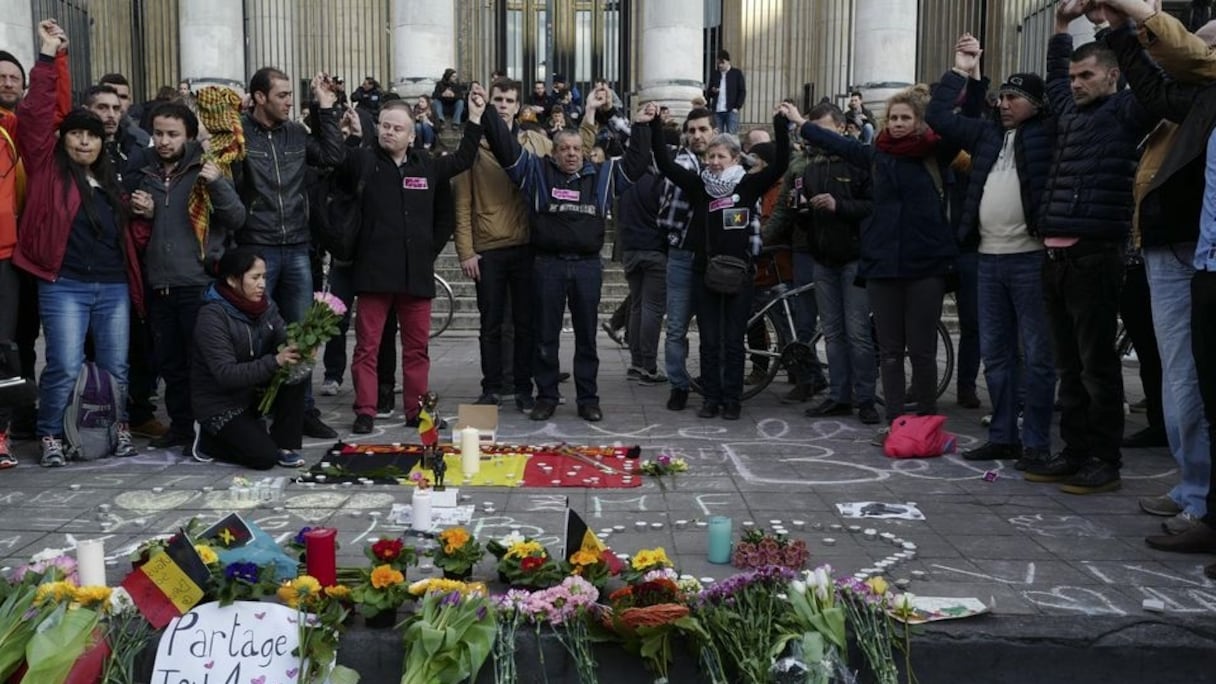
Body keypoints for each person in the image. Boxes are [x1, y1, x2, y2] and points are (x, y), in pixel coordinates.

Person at [1021, 0, 1155, 495]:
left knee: (1097, 368)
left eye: (1085, 75)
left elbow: (1150, 79)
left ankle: (1104, 460)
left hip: (1095, 255)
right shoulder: (1069, 114)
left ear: (1112, 76)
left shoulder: (1127, 110)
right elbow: (1054, 80)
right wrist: (1060, 25)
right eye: (1073, 75)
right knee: (1068, 367)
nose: (1075, 83)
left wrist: (1124, 24)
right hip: (1054, 257)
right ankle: (1074, 452)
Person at [1097, 0, 1215, 551]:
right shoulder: (1191, 98)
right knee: (1181, 376)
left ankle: (1202, 498)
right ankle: (1196, 487)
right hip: (1175, 246)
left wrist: (1132, 15)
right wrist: (1122, 28)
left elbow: (1173, 66)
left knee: (1194, 378)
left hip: (1196, 249)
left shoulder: (1199, 86)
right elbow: (1154, 86)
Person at [479, 84, 651, 422]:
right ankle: (546, 396)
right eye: (564, 149)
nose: (571, 154)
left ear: (584, 152)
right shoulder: (535, 173)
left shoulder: (602, 177)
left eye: (576, 148)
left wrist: (643, 125)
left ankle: (588, 398)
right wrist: (487, 109)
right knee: (546, 336)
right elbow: (505, 148)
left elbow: (638, 162)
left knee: (587, 337)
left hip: (587, 267)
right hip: (547, 266)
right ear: (553, 153)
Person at [799, 85, 959, 445]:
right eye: (894, 118)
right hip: (883, 265)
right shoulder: (876, 155)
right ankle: (897, 423)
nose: (899, 124)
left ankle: (928, 423)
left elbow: (954, 124)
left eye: (907, 118)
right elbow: (839, 144)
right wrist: (801, 124)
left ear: (919, 121)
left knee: (921, 351)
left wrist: (964, 77)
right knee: (889, 351)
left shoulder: (935, 153)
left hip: (926, 265)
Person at [925, 34, 1057, 469]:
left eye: (1014, 98)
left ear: (1036, 104)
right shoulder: (986, 134)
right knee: (996, 353)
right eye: (1001, 97)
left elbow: (1062, 94)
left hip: (1030, 258)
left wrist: (1057, 32)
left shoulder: (1047, 133)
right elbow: (939, 115)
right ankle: (1003, 435)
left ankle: (1035, 441)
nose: (1003, 104)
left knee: (1037, 356)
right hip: (988, 257)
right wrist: (960, 70)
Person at [16, 20, 143, 466]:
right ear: (64, 139)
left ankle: (116, 429)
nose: (85, 139)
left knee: (116, 368)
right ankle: (51, 434)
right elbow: (36, 116)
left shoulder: (110, 182)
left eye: (92, 134)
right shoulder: (47, 168)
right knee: (64, 366)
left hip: (111, 286)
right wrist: (50, 57)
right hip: (63, 284)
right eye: (76, 132)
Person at [346, 93, 484, 434]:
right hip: (374, 273)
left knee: (417, 349)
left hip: (415, 274)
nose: (390, 132)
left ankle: (416, 410)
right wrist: (345, 129)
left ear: (412, 134)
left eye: (398, 128)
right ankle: (365, 409)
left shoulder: (427, 164)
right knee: (367, 347)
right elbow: (336, 163)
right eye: (385, 126)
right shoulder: (364, 161)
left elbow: (464, 160)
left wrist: (476, 118)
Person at [650, 103, 790, 419]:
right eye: (710, 157)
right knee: (710, 341)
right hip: (705, 272)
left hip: (740, 274)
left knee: (733, 340)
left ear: (735, 159)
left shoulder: (748, 185)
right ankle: (711, 398)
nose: (713, 162)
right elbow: (665, 165)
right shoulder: (700, 186)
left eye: (720, 157)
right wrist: (657, 126)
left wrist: (780, 124)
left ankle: (732, 399)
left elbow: (781, 163)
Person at [128, 102, 246, 451]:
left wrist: (218, 185)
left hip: (197, 284)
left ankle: (208, 427)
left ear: (189, 136)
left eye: (172, 134)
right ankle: (181, 427)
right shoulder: (146, 172)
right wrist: (143, 214)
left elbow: (236, 218)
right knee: (171, 364)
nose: (164, 141)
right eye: (159, 134)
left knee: (202, 363)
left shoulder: (205, 169)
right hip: (160, 284)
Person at [236, 66, 345, 439]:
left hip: (297, 244)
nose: (288, 102)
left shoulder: (296, 133)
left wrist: (325, 107)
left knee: (303, 334)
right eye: (281, 95)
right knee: (258, 333)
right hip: (257, 244)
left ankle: (302, 411)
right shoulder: (238, 133)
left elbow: (332, 154)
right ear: (259, 97)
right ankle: (255, 408)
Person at [766, 102, 878, 424]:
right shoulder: (808, 166)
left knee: (857, 332)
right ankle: (839, 395)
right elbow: (789, 212)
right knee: (831, 332)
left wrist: (838, 205)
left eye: (824, 131)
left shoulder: (861, 161)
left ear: (842, 129)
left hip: (854, 259)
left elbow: (874, 206)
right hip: (821, 257)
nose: (818, 139)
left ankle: (866, 398)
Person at [453, 79, 553, 411]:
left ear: (518, 105)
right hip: (489, 245)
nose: (503, 104)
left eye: (510, 99)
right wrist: (465, 250)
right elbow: (462, 201)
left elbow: (567, 164)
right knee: (490, 323)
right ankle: (492, 386)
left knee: (526, 323)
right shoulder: (473, 144)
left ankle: (524, 387)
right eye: (498, 98)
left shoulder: (535, 141)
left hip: (526, 244)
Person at [189, 247, 306, 469]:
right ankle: (205, 440)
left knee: (296, 372)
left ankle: (284, 444)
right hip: (220, 403)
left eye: (264, 277)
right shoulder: (212, 315)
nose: (262, 284)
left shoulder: (265, 305)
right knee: (263, 458)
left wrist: (300, 344)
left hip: (251, 394)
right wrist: (275, 361)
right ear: (233, 280)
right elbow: (225, 374)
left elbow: (282, 334)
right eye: (255, 278)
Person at [659, 108, 716, 411]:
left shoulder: (727, 165)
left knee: (710, 328)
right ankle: (678, 385)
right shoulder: (683, 162)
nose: (697, 136)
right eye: (692, 130)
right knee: (677, 327)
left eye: (703, 129)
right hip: (681, 253)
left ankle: (709, 381)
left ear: (713, 131)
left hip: (712, 259)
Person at [706, 49, 746, 134]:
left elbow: (742, 91)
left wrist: (737, 107)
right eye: (718, 63)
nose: (720, 65)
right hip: (717, 110)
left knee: (732, 135)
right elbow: (708, 92)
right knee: (717, 135)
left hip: (731, 110)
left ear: (728, 61)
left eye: (722, 63)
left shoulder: (736, 73)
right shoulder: (715, 74)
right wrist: (713, 90)